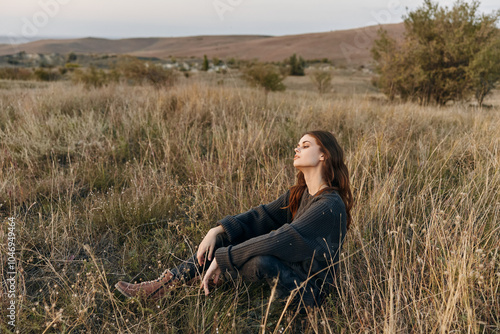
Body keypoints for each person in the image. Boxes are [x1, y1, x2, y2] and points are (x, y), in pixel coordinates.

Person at [115, 130, 353, 310]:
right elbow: (262, 217)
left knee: (261, 260)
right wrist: (217, 230)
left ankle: (216, 277)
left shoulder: (329, 205)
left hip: (309, 292)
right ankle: (162, 286)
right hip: (289, 270)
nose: (296, 149)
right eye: (297, 145)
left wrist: (225, 258)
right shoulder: (299, 193)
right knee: (226, 240)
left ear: (323, 154)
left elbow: (281, 239)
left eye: (305, 145)